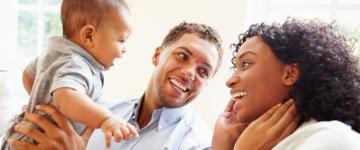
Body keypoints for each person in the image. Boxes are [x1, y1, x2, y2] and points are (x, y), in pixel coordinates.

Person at [6, 21, 298, 150]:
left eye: (203, 71)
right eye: (182, 56)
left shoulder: (195, 144)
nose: (188, 73)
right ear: (157, 55)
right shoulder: (98, 110)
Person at [1, 0, 138, 149]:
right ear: (89, 36)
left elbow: (28, 75)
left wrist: (40, 102)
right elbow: (64, 97)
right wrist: (106, 119)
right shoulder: (77, 65)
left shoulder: (55, 53)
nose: (124, 50)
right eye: (121, 41)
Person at [218, 18, 360, 149]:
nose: (230, 81)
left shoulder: (332, 140)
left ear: (290, 74)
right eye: (235, 68)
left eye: (246, 64)